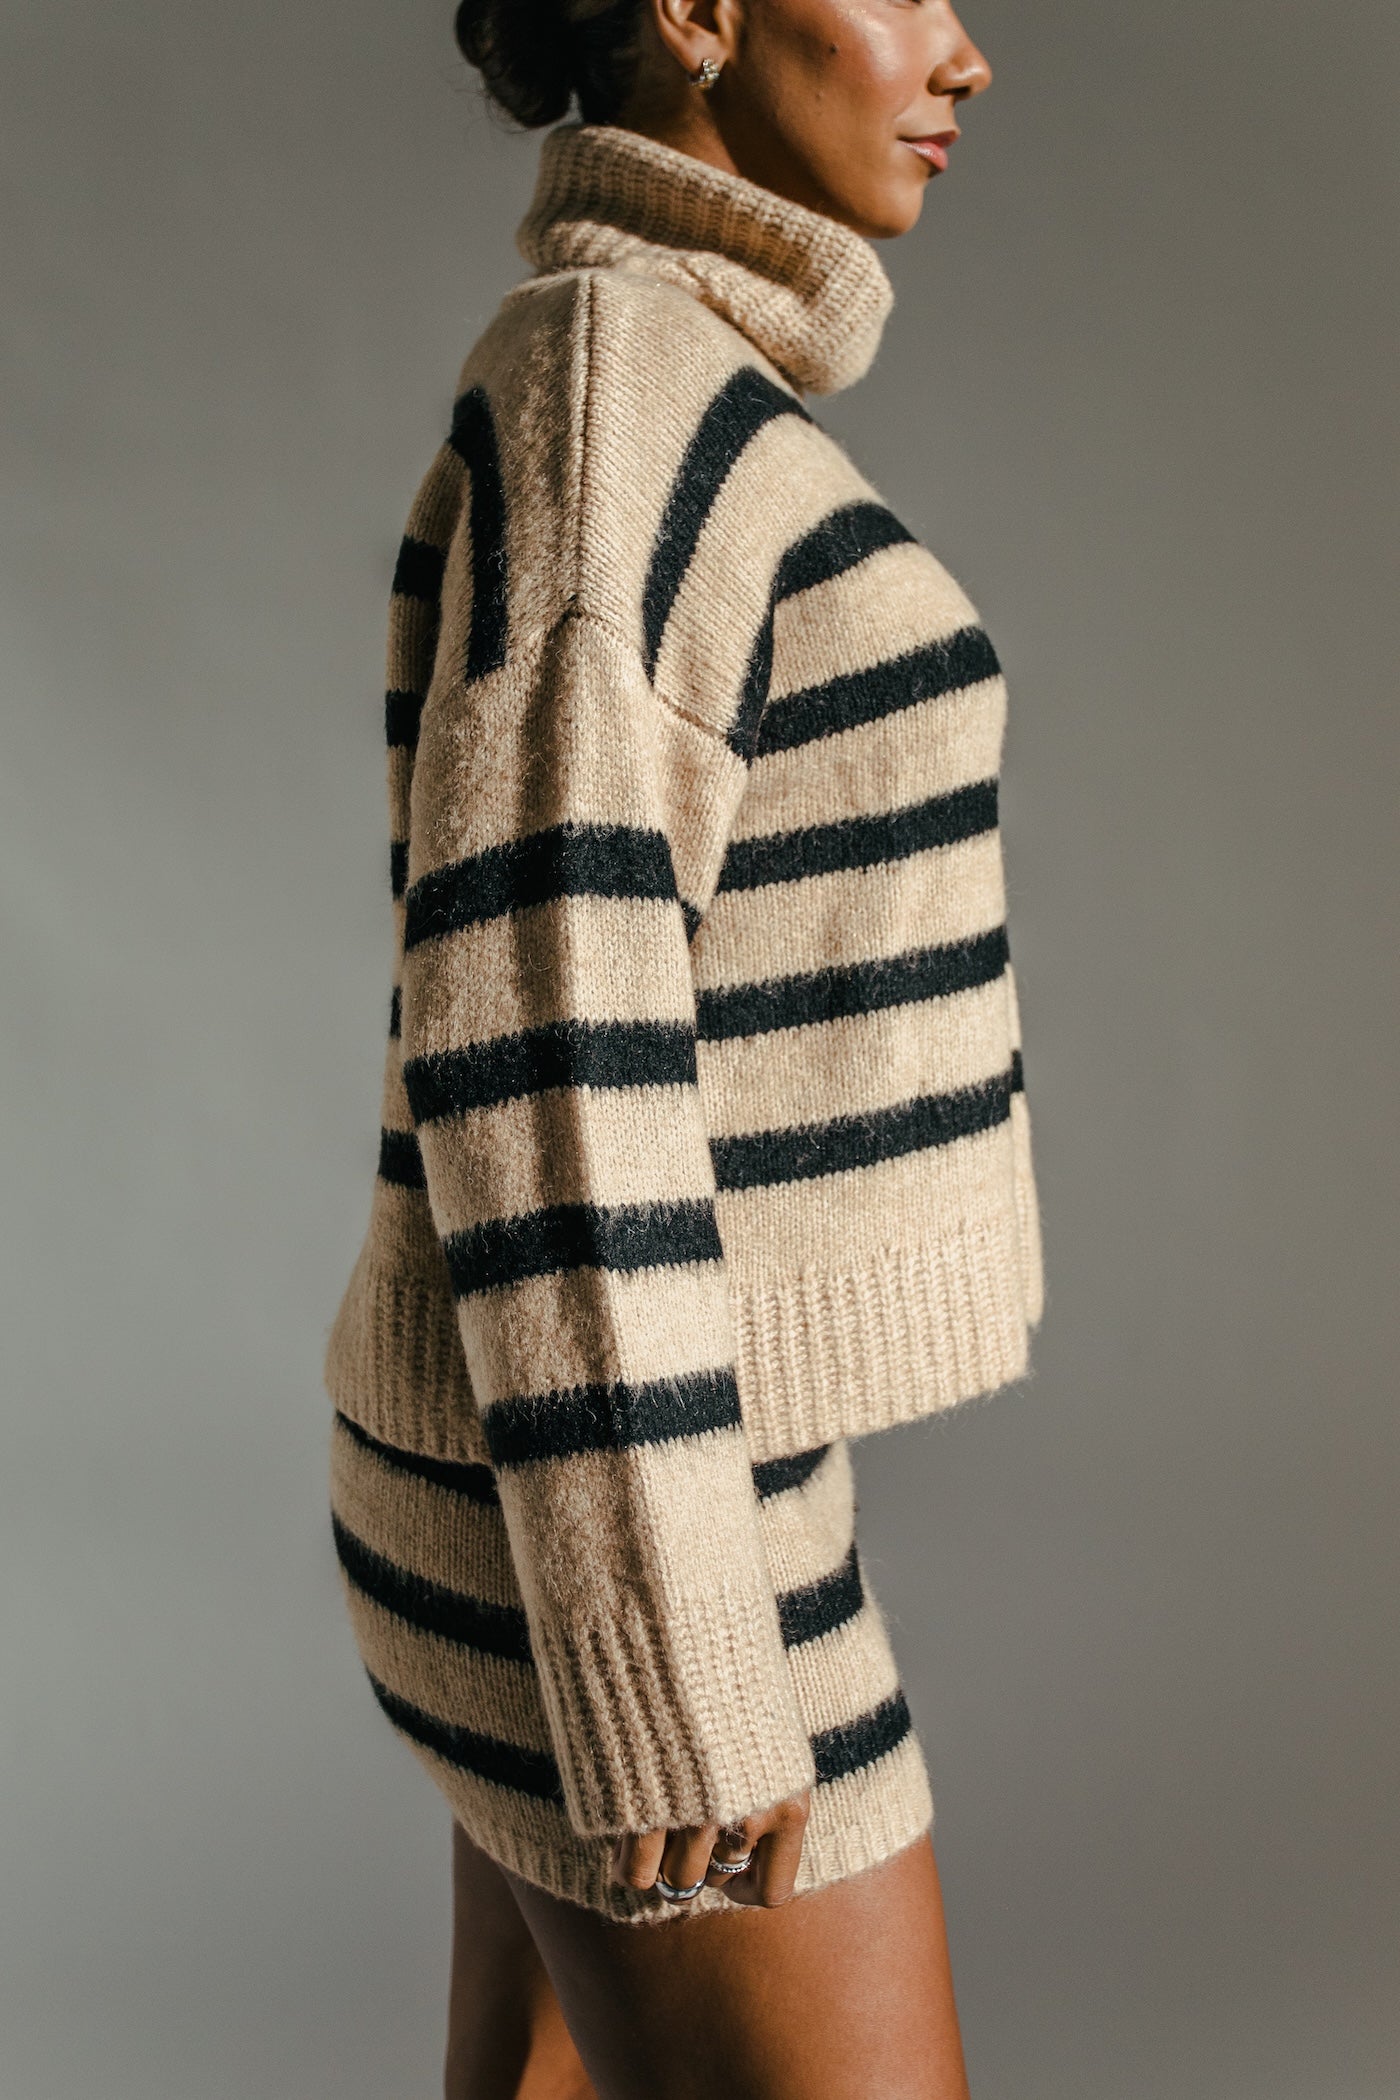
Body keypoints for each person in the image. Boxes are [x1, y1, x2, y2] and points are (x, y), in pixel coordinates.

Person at [323, 1, 1043, 2092]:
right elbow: (544, 1032)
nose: (965, 53)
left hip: (611, 1450)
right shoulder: (610, 390)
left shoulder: (665, 375)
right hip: (612, 1503)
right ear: (699, 11)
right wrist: (659, 1637)